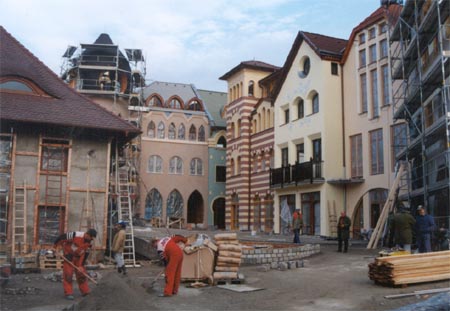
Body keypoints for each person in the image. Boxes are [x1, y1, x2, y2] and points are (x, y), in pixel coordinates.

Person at [53, 229, 97, 300]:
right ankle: (68, 293)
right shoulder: (75, 235)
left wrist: (80, 265)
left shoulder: (89, 243)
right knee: (68, 274)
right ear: (87, 234)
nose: (91, 240)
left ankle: (85, 291)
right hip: (69, 255)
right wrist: (54, 247)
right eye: (90, 238)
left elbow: (86, 254)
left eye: (92, 239)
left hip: (79, 258)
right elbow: (61, 237)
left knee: (81, 273)